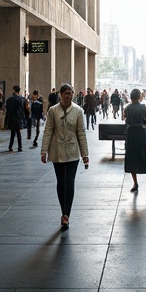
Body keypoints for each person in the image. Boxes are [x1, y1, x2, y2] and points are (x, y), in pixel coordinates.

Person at [40, 83, 89, 231]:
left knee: (70, 181)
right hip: (57, 151)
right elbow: (48, 131)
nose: (68, 96)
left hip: (73, 151)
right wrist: (44, 151)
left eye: (70, 93)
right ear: (60, 95)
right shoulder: (53, 111)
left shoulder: (78, 111)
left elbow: (81, 133)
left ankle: (67, 214)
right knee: (61, 182)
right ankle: (63, 210)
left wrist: (85, 154)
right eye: (66, 93)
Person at [123, 88, 146, 193]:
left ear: (131, 97)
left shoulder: (127, 108)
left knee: (132, 158)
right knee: (144, 157)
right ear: (139, 97)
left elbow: (126, 120)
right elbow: (145, 120)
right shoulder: (144, 107)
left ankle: (135, 183)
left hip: (131, 134)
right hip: (141, 134)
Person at [5, 86, 26, 151]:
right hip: (18, 118)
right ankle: (20, 147)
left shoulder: (9, 100)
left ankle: (10, 146)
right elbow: (22, 110)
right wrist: (23, 119)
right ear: (19, 91)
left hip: (11, 118)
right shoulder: (21, 99)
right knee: (18, 133)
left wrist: (6, 121)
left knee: (12, 133)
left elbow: (7, 111)